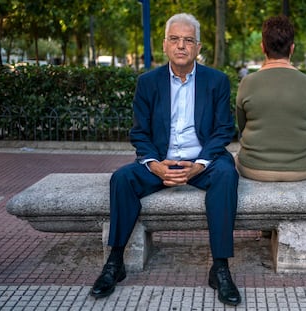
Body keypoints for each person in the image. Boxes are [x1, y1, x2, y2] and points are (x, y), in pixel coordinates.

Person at [89, 13, 241, 306]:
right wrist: (154, 165)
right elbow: (140, 133)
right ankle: (115, 262)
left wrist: (200, 164)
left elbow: (224, 130)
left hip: (203, 163)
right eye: (175, 39)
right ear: (164, 45)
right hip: (161, 162)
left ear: (197, 47)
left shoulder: (216, 81)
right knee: (122, 179)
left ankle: (220, 267)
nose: (181, 46)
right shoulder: (148, 83)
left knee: (227, 174)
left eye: (188, 40)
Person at [235, 15, 306, 182]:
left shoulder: (247, 83)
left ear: (262, 47)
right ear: (292, 49)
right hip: (304, 168)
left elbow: (242, 125)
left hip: (253, 167)